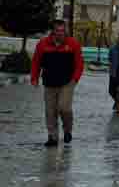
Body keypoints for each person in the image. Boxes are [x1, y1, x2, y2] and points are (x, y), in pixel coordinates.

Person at [30, 19, 84, 147]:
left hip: (67, 82)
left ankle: (67, 130)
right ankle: (52, 136)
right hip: (49, 82)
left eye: (62, 30)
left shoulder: (73, 44)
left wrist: (75, 78)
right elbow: (36, 62)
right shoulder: (43, 44)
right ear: (52, 31)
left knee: (64, 108)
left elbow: (79, 63)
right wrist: (34, 77)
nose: (60, 33)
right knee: (50, 111)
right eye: (57, 31)